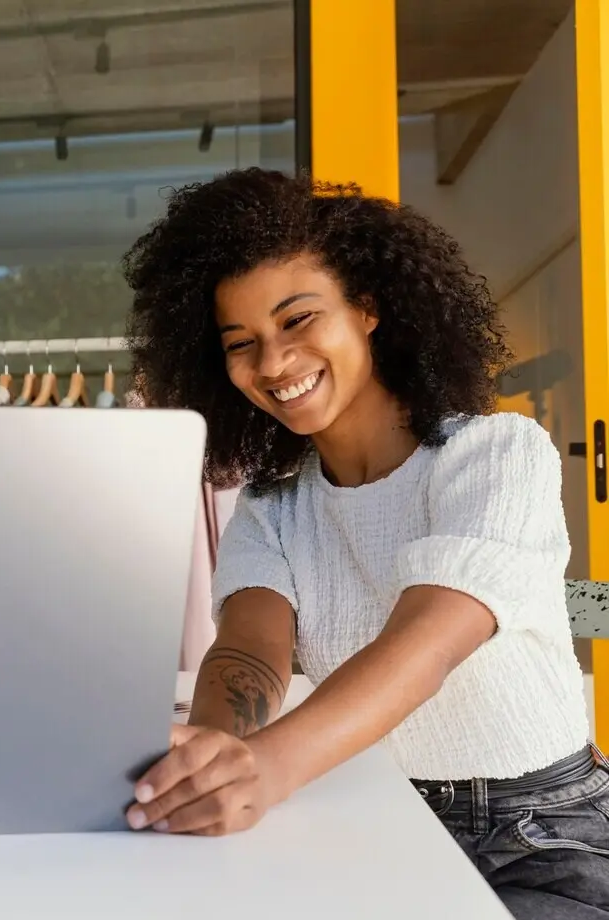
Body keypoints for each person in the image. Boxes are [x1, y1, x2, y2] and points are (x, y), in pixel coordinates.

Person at [119, 167, 605, 917]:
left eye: (298, 319)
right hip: (371, 810)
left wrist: (266, 768)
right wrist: (214, 754)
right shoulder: (272, 504)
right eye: (240, 341)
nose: (273, 362)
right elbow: (249, 652)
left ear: (368, 309)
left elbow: (426, 645)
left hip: (541, 833)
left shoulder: (497, 454)